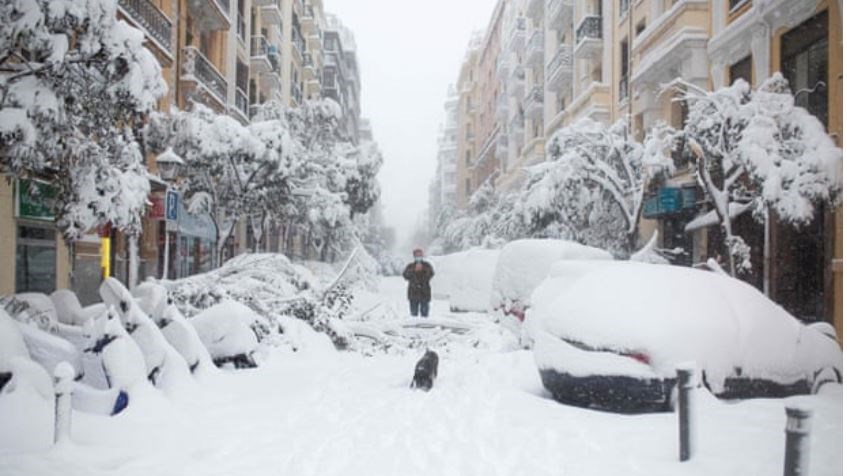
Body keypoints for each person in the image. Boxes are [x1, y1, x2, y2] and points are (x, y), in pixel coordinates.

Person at [402, 249, 434, 318]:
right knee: (414, 315)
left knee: (424, 315)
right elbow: (405, 275)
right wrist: (414, 270)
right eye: (417, 255)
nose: (419, 257)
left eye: (420, 255)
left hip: (424, 293)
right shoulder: (410, 266)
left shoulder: (427, 265)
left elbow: (431, 274)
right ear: (414, 256)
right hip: (413, 293)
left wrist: (423, 270)